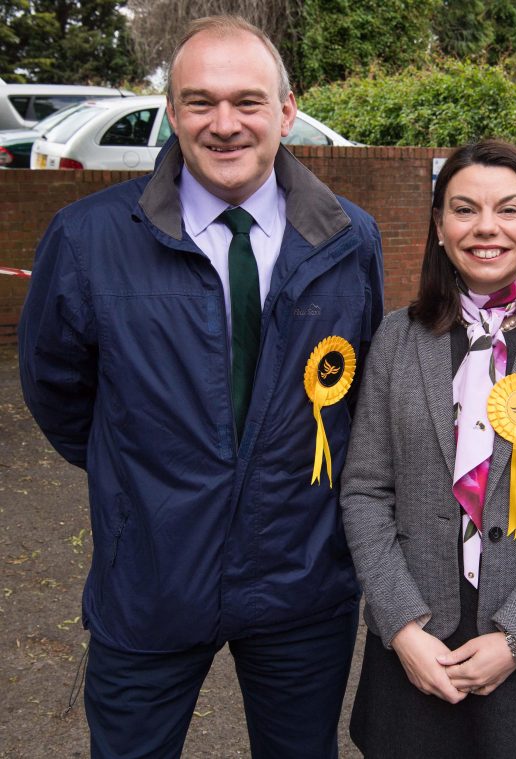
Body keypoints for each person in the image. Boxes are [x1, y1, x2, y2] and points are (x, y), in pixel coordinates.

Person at [18, 15, 383, 758]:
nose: (225, 125)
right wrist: (145, 481)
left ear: (285, 111)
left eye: (247, 101)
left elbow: (358, 389)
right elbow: (58, 391)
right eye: (199, 101)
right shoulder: (87, 238)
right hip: (149, 578)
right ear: (171, 112)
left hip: (301, 582)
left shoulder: (350, 237)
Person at [340, 140, 516, 758]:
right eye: (464, 209)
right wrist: (402, 627)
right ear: (440, 228)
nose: (486, 228)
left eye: (509, 209)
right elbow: (365, 490)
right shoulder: (395, 339)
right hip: (419, 645)